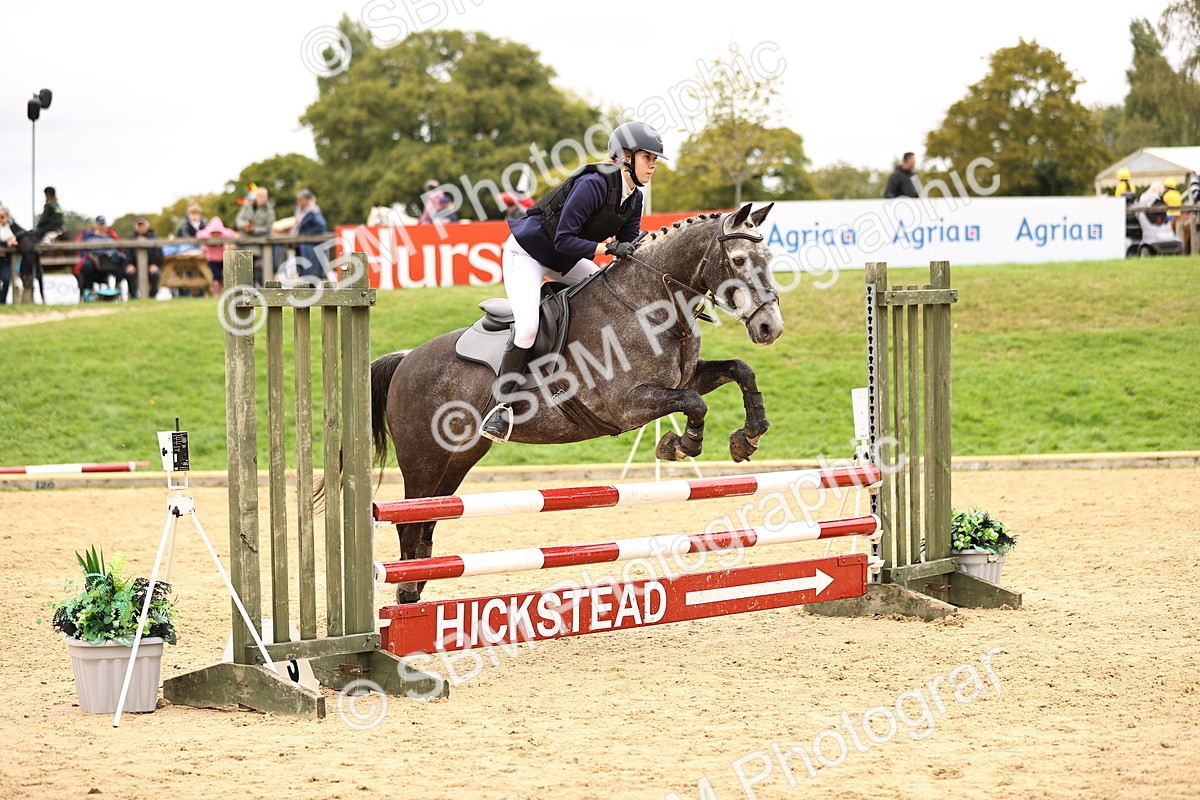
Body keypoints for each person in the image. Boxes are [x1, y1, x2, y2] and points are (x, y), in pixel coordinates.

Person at [479, 121, 666, 443]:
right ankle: (500, 408)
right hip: (528, 254)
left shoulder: (634, 197)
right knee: (526, 327)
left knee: (609, 293)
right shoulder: (594, 184)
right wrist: (607, 248)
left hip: (564, 260)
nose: (653, 165)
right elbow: (565, 238)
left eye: (654, 159)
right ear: (624, 157)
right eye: (647, 157)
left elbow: (629, 247)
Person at [12, 186, 64, 302]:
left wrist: (36, 228)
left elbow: (43, 220)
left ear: (47, 194)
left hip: (47, 229)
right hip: (58, 229)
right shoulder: (58, 205)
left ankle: (29, 262)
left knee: (28, 235)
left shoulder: (49, 205)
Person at [75, 216, 126, 301]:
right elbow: (84, 251)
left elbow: (118, 249)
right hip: (95, 260)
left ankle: (118, 284)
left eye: (103, 224)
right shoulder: (89, 237)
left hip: (110, 260)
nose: (101, 226)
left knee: (123, 259)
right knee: (86, 266)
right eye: (99, 224)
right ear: (96, 225)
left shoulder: (111, 236)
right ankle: (88, 290)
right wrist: (91, 257)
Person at [235, 186, 275, 285]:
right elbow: (238, 220)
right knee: (243, 271)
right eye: (259, 196)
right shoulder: (246, 206)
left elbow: (268, 227)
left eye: (263, 196)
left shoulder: (270, 211)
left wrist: (254, 229)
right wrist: (244, 226)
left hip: (259, 245)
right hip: (243, 243)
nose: (261, 198)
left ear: (267, 197)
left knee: (259, 271)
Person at [290, 188, 330, 281]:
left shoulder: (313, 211)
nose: (298, 201)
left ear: (307, 200)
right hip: (302, 244)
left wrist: (308, 233)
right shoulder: (299, 210)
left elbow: (321, 225)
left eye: (301, 199)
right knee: (303, 271)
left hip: (310, 246)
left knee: (311, 273)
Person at [196, 216, 237, 294]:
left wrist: (221, 233)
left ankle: (222, 291)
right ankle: (216, 291)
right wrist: (209, 234)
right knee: (216, 276)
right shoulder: (208, 236)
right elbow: (199, 234)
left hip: (222, 259)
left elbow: (231, 233)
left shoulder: (223, 236)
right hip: (212, 260)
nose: (216, 234)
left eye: (217, 232)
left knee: (223, 276)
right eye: (214, 232)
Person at [127, 217, 163, 299]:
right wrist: (129, 264)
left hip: (151, 265)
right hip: (135, 266)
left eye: (143, 225)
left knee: (156, 274)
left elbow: (159, 254)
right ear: (136, 227)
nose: (141, 228)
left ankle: (152, 296)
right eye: (139, 226)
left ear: (147, 226)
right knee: (129, 273)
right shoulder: (131, 238)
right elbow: (127, 254)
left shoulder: (154, 237)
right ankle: (134, 296)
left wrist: (155, 264)